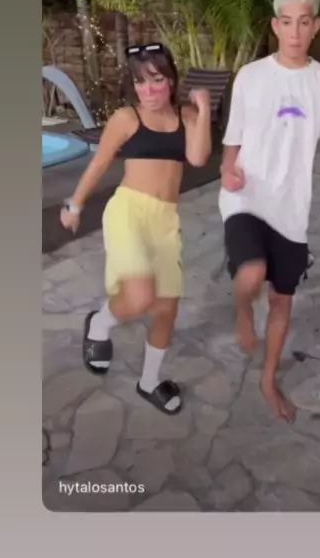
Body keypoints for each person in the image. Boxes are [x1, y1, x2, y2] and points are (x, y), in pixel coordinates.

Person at [219, 0, 320, 422]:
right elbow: (233, 136)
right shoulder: (251, 76)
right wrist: (227, 169)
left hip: (291, 208)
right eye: (287, 22)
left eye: (304, 23)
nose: (295, 32)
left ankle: (268, 379)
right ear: (275, 25)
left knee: (282, 301)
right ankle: (242, 311)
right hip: (246, 196)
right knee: (251, 271)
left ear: (315, 26)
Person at [60, 43, 211, 415]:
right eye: (140, 82)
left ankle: (149, 381)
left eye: (156, 80)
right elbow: (99, 163)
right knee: (141, 297)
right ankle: (100, 324)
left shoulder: (188, 115)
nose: (148, 90)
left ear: (171, 80)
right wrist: (75, 204)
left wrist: (205, 109)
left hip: (165, 219)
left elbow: (198, 158)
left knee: (166, 307)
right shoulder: (127, 118)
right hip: (128, 211)